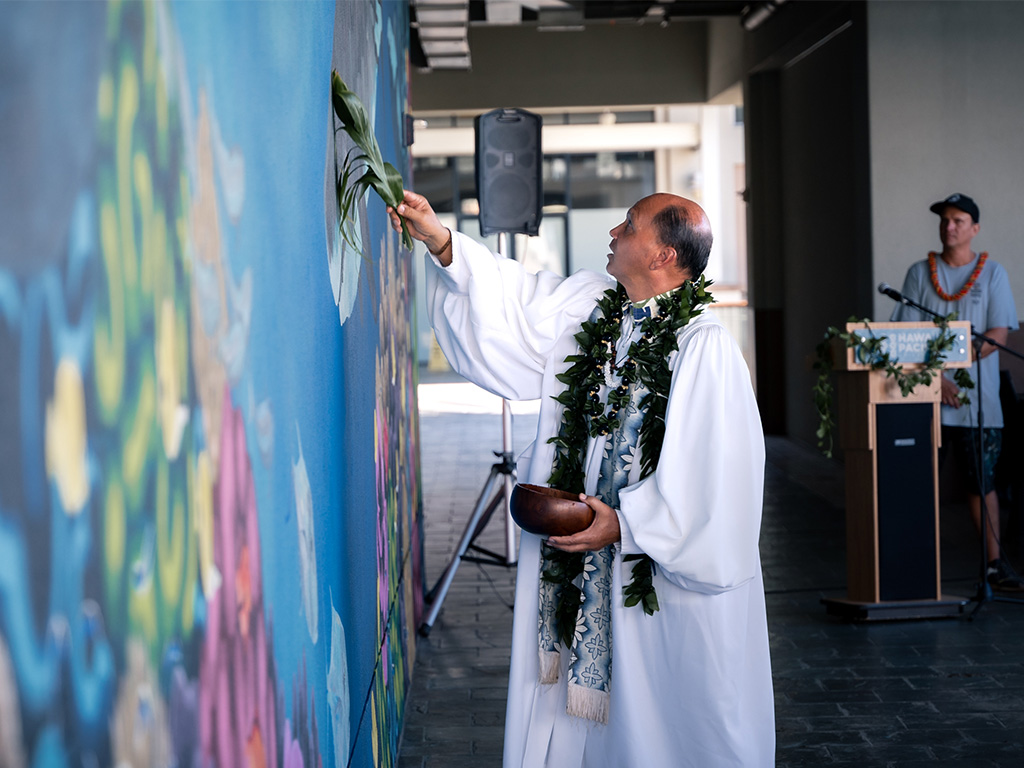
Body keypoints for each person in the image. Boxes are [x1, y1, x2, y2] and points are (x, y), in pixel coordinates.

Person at [389, 190, 774, 767]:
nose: (615, 232)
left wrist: (624, 525)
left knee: (664, 723)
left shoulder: (705, 348)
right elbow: (515, 302)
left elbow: (722, 480)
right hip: (581, 564)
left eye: (631, 225)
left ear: (665, 255)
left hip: (653, 581)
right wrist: (442, 242)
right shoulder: (595, 310)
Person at [890, 193, 1023, 591]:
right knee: (919, 481)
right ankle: (913, 563)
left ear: (974, 229)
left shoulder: (993, 273)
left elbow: (998, 333)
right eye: (944, 220)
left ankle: (995, 566)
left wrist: (956, 372)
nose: (949, 227)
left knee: (981, 483)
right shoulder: (919, 272)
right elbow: (904, 335)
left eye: (958, 220)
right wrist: (936, 380)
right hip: (926, 400)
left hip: (977, 402)